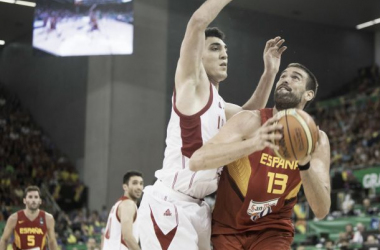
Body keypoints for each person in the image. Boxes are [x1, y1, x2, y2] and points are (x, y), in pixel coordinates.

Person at [138, 0, 287, 248]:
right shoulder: (191, 85)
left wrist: (269, 72)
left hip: (200, 207)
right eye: (215, 48)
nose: (224, 54)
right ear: (198, 55)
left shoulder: (220, 105)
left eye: (225, 50)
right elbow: (197, 21)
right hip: (170, 203)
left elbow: (248, 116)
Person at [190, 63, 331, 249]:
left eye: (295, 77)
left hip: (272, 230)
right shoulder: (249, 120)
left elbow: (321, 210)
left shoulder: (317, 140)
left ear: (309, 94)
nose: (285, 79)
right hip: (228, 227)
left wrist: (305, 164)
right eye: (283, 76)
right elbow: (197, 160)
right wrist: (253, 144)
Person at [0, 185, 58, 250]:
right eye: (30, 197)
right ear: (24, 200)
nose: (33, 200)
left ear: (40, 201)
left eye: (36, 197)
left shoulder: (48, 218)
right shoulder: (14, 218)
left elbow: (52, 241)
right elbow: (4, 240)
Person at [102, 171, 144, 250]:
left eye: (141, 183)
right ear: (125, 187)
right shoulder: (128, 205)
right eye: (135, 183)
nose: (139, 187)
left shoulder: (117, 205)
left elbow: (103, 237)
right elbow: (127, 237)